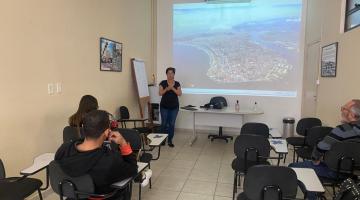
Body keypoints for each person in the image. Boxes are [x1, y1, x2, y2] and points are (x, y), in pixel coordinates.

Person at [55, 110, 138, 199]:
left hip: (74, 197)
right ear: (107, 132)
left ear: (84, 128)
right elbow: (133, 169)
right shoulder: (109, 161)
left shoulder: (63, 149)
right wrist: (123, 143)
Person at [289, 99, 360, 199]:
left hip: (335, 171)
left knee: (293, 167)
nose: (341, 110)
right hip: (355, 173)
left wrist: (315, 160)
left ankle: (313, 197)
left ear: (351, 114)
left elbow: (321, 147)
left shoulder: (343, 130)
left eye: (343, 108)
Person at [159, 67, 182, 147]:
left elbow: (179, 93)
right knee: (164, 123)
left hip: (174, 107)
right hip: (164, 107)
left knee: (171, 124)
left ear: (174, 74)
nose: (170, 75)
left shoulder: (177, 83)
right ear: (166, 74)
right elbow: (160, 93)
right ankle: (162, 140)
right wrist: (167, 89)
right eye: (168, 73)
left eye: (172, 73)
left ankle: (170, 140)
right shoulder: (163, 83)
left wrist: (172, 88)